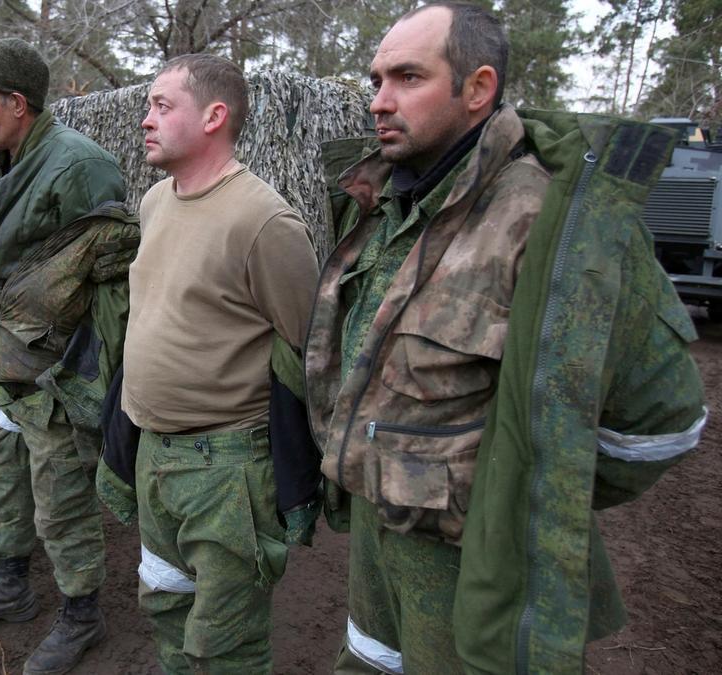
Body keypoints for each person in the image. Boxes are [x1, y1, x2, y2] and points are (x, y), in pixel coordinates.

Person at [302, 3, 708, 672]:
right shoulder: (385, 204)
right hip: (377, 549)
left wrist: (521, 492)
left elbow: (666, 420)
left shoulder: (554, 223)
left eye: (407, 77)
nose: (380, 101)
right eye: (376, 79)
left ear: (478, 88)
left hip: (477, 576)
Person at [0, 38, 135, 675]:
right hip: (11, 366)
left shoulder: (78, 166)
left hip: (58, 375)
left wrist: (88, 388)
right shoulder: (12, 159)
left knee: (62, 501)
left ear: (17, 103)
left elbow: (112, 292)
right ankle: (9, 586)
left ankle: (82, 614)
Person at [120, 54, 320, 673]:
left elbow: (309, 346)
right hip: (152, 452)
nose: (145, 121)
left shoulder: (263, 220)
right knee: (168, 606)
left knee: (226, 642)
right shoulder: (155, 201)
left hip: (226, 468)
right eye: (147, 107)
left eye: (161, 106)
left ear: (214, 116)